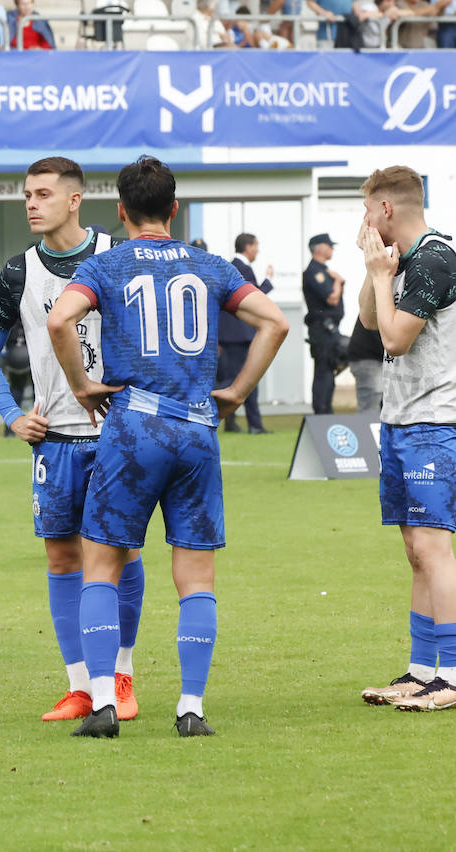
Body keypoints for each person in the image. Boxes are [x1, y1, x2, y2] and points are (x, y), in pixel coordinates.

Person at [47, 156, 288, 738]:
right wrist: (234, 392)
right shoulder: (211, 266)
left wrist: (81, 386)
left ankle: (104, 701)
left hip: (134, 430)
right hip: (198, 428)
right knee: (197, 577)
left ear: (122, 211)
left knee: (101, 568)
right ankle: (190, 708)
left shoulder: (107, 265)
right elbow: (275, 322)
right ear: (175, 209)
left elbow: (60, 321)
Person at [0, 157, 144, 723]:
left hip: (116, 436)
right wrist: (12, 415)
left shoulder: (116, 259)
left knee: (122, 554)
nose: (31, 203)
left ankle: (120, 678)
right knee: (62, 556)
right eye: (26, 194)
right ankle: (80, 686)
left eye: (43, 194)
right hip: (55, 443)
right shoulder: (17, 272)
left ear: (75, 200)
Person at [354, 165, 456, 712]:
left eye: (367, 209)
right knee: (417, 552)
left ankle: (453, 674)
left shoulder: (437, 258)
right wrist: (375, 269)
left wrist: (378, 273)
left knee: (436, 550)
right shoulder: (400, 261)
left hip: (436, 425)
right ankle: (422, 671)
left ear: (388, 209)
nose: (363, 221)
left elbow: (394, 337)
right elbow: (372, 322)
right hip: (401, 423)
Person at [217, 233, 274, 434]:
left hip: (231, 335)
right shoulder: (242, 268)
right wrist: (268, 280)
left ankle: (234, 423)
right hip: (239, 335)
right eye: (256, 245)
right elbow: (254, 299)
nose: (257, 250)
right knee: (243, 380)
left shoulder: (231, 266)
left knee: (235, 379)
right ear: (248, 247)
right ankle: (254, 424)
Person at [303, 232, 345, 414]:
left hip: (329, 329)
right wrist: (338, 281)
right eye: (329, 246)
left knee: (329, 369)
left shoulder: (322, 270)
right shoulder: (315, 272)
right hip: (322, 328)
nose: (332, 249)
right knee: (323, 371)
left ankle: (326, 409)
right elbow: (332, 298)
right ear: (320, 247)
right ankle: (321, 411)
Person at [347, 317, 383, 413]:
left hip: (370, 356)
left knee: (373, 403)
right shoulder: (383, 304)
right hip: (367, 358)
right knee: (369, 406)